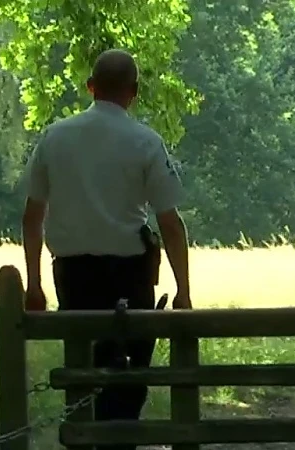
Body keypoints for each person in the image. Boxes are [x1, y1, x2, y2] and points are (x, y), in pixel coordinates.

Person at [20, 49, 192, 449]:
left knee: (83, 376)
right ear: (133, 92)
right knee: (128, 382)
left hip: (73, 276)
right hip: (131, 276)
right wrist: (182, 290)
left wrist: (33, 284)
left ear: (90, 87)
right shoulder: (147, 142)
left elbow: (32, 216)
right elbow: (169, 222)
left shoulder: (54, 137)